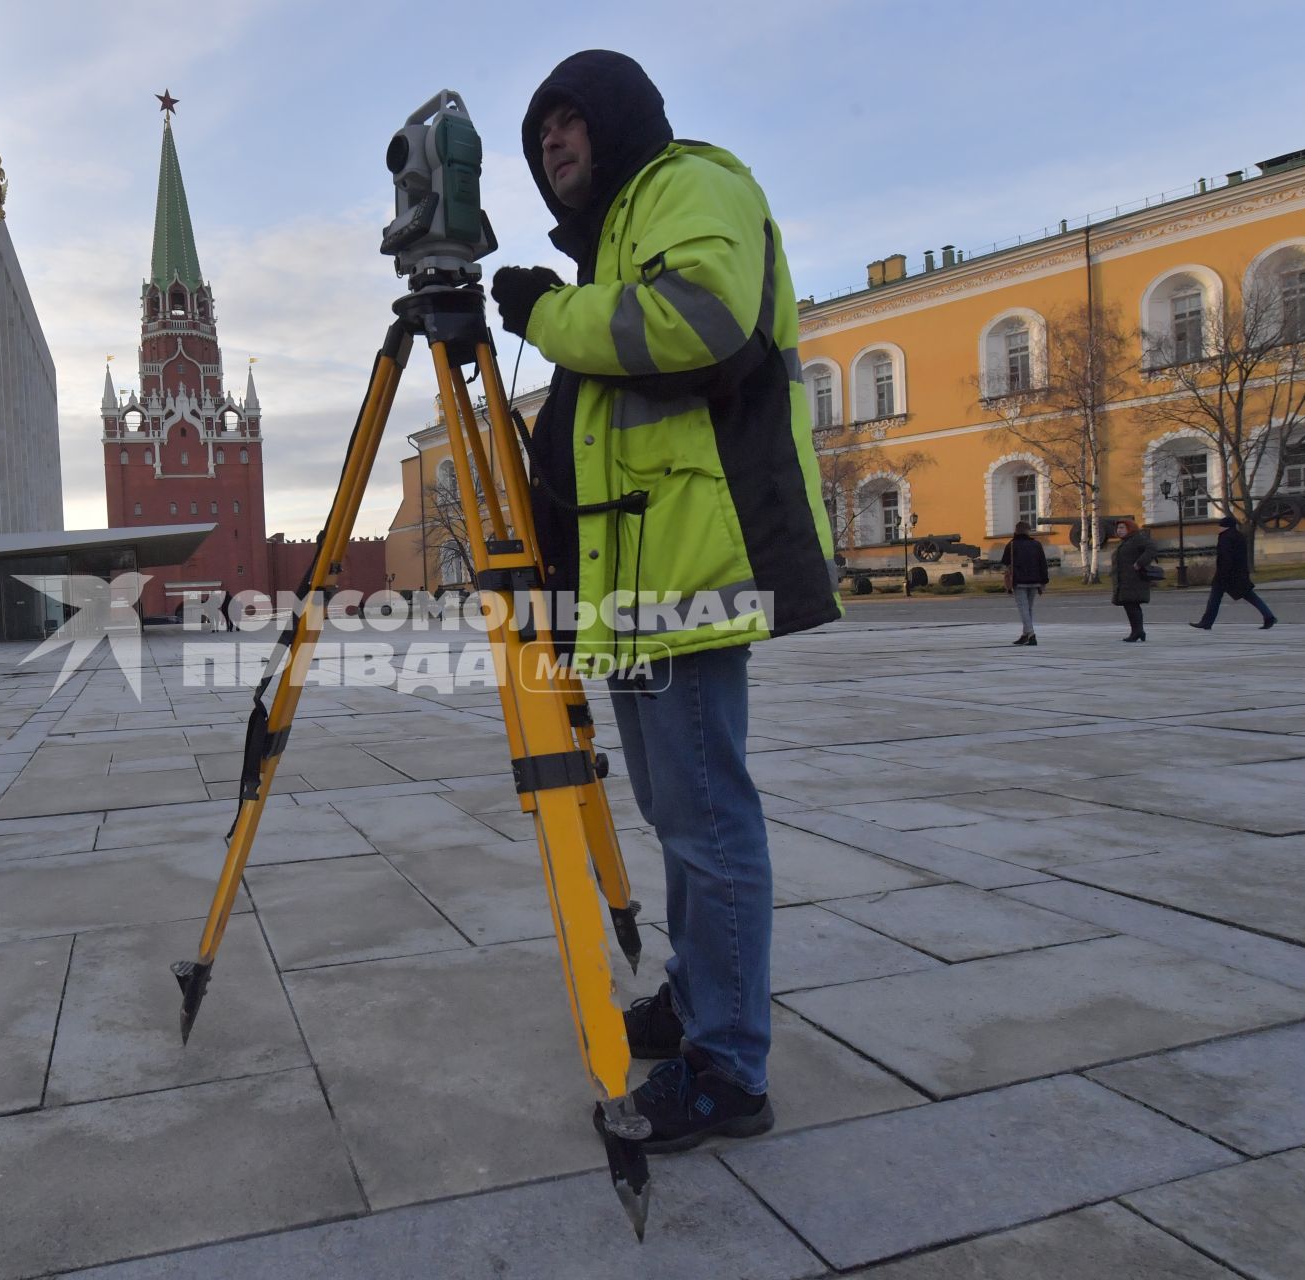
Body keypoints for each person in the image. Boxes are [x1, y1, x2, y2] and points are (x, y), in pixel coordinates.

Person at [489, 50, 839, 1152]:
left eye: (568, 122)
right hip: (637, 584)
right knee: (677, 816)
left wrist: (549, 317)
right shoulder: (609, 240)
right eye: (539, 135)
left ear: (620, 119)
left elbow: (698, 321)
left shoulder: (690, 183)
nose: (553, 144)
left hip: (690, 570)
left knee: (708, 822)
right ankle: (697, 999)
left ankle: (730, 1067)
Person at [1190, 515, 1276, 631]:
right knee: (1250, 596)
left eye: (1220, 526)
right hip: (1239, 573)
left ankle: (1206, 622)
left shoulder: (1225, 537)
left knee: (1214, 599)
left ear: (1225, 527)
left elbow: (1226, 557)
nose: (1219, 528)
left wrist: (1221, 574)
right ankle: (1269, 616)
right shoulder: (1238, 536)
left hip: (1226, 574)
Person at [1109, 519, 1159, 641]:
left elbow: (1151, 548)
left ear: (1130, 528)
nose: (1119, 531)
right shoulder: (1126, 542)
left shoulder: (1137, 538)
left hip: (1134, 579)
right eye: (1118, 528)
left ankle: (1137, 632)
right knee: (1130, 605)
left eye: (1122, 528)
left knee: (1132, 605)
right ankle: (1138, 631)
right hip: (1126, 580)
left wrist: (1140, 563)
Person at [999, 522, 1049, 645]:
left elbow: (1005, 562)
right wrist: (1044, 581)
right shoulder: (1036, 545)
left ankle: (1031, 634)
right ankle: (1025, 634)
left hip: (1019, 581)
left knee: (1023, 609)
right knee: (1029, 608)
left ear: (1016, 531)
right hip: (1035, 580)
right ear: (1028, 531)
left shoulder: (1011, 545)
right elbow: (1043, 564)